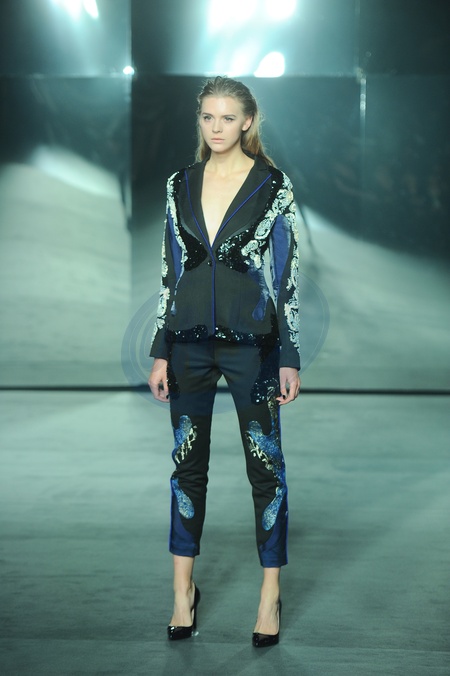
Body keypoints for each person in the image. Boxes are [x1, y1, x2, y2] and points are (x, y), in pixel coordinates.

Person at [148, 75, 301, 647]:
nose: (216, 127)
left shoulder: (272, 186)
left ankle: (270, 595)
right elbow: (171, 270)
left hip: (253, 348)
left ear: (248, 122)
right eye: (208, 117)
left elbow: (286, 275)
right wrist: (160, 348)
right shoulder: (179, 184)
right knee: (186, 466)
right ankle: (181, 593)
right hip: (186, 344)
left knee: (266, 469)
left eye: (228, 118)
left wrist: (289, 353)